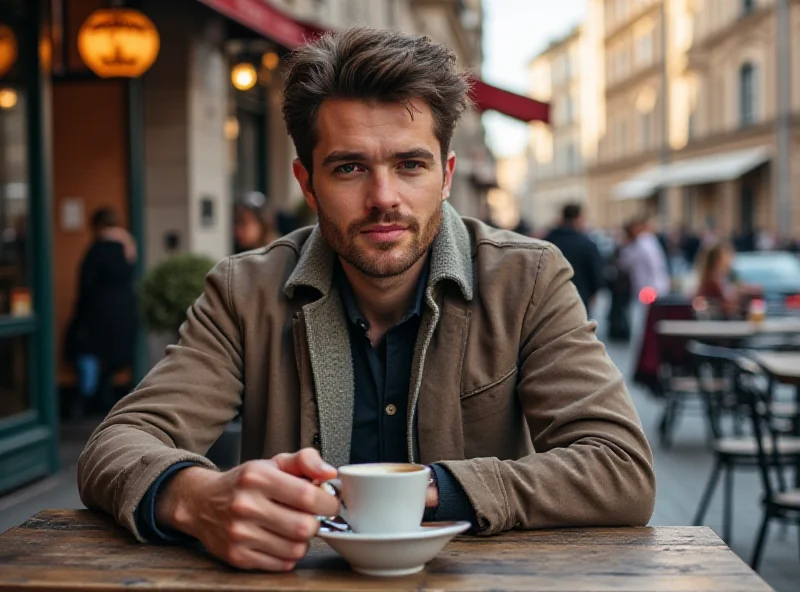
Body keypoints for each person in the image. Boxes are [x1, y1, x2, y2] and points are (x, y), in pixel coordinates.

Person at [78, 27, 655, 573]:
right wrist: (196, 497)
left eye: (410, 165)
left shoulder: (526, 279)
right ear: (307, 184)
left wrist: (426, 489)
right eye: (349, 167)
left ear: (447, 174)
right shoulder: (245, 291)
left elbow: (620, 467)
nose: (384, 198)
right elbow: (117, 444)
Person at [65, 207, 138, 417]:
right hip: (124, 313)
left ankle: (83, 404)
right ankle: (105, 404)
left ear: (97, 226)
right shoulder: (128, 248)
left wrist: (78, 317)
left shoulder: (96, 250)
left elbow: (85, 286)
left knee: (91, 356)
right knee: (110, 362)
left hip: (96, 315)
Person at [543, 203, 604, 313]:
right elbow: (596, 273)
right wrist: (593, 293)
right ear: (579, 218)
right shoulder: (587, 243)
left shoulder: (547, 241)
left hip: (551, 299)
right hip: (580, 298)